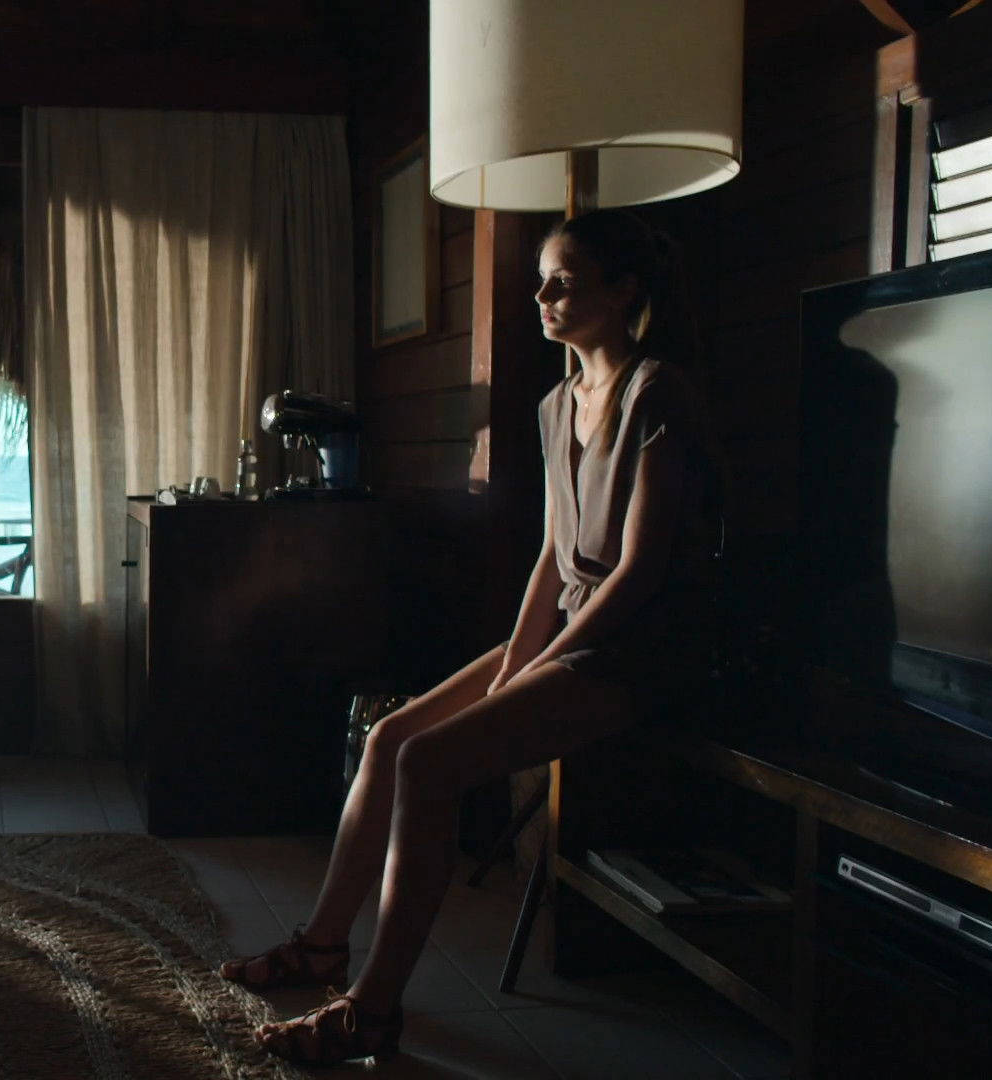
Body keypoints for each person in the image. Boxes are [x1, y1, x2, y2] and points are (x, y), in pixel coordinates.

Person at [221, 209, 720, 1065]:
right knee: (390, 737)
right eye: (540, 280)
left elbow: (638, 572)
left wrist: (542, 668)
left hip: (633, 649)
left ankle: (372, 1010)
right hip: (570, 629)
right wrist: (516, 666)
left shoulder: (657, 392)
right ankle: (322, 945)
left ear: (623, 291)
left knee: (428, 761)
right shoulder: (557, 403)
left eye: (563, 281)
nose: (542, 296)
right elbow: (552, 558)